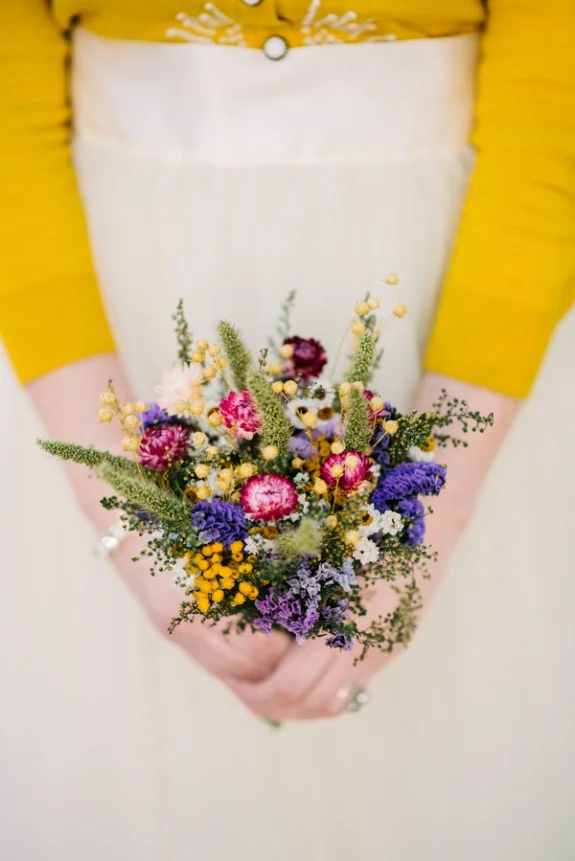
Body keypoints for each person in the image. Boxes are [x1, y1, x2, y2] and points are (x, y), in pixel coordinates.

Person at [1, 1, 574, 858]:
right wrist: (121, 511)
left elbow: (552, 106)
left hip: (463, 304)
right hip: (94, 316)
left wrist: (431, 513)